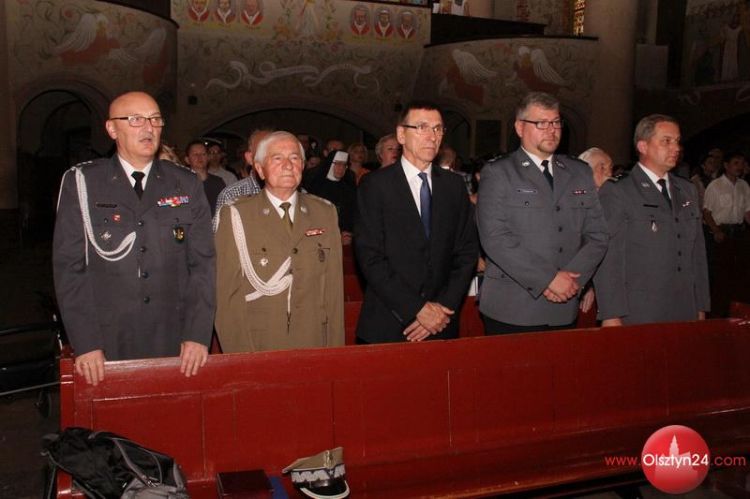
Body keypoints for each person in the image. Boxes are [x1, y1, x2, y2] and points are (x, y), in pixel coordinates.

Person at [53, 91, 215, 385]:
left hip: (174, 337)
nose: (148, 128)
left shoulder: (185, 182)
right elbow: (70, 269)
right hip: (108, 339)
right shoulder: (83, 182)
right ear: (112, 129)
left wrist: (197, 333)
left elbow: (202, 265)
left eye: (155, 119)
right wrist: (86, 342)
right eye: (136, 119)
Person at [476, 92, 608, 334]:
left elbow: (597, 235)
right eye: (541, 123)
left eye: (556, 122)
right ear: (520, 127)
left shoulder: (579, 172)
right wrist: (548, 279)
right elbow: (495, 238)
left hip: (564, 304)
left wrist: (573, 281)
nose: (551, 130)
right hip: (513, 308)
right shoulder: (500, 172)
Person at [355, 101, 478, 343]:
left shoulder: (453, 185)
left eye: (438, 129)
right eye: (422, 127)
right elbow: (370, 257)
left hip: (443, 322)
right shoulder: (375, 185)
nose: (432, 136)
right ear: (401, 134)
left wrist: (443, 307)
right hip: (390, 320)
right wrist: (417, 309)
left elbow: (466, 252)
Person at [214, 131, 344, 352]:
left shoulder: (324, 212)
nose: (288, 165)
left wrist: (335, 353)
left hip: (313, 340)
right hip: (260, 344)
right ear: (260, 169)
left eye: (294, 158)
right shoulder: (237, 215)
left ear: (302, 165)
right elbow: (227, 297)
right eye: (277, 158)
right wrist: (240, 358)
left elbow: (333, 291)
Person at [594, 114, 710, 325]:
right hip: (640, 309)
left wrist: (701, 305)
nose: (675, 148)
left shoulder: (687, 190)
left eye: (677, 141)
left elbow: (697, 254)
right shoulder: (619, 191)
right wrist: (611, 314)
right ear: (643, 146)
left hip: (685, 307)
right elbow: (609, 258)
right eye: (666, 141)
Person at [213, 128, 269, 231]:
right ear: (250, 158)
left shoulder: (295, 194)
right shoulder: (232, 195)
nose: (269, 158)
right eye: (263, 151)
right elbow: (220, 236)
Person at [303, 150, 357, 245]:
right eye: (338, 164)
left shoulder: (349, 190)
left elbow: (352, 217)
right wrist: (335, 236)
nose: (341, 168)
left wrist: (348, 233)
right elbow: (307, 226)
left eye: (344, 165)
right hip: (317, 241)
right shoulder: (315, 188)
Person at [703, 151, 750, 243]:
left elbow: (747, 212)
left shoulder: (744, 185)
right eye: (736, 163)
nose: (740, 167)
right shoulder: (715, 185)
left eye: (742, 163)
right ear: (726, 165)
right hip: (721, 231)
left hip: (739, 232)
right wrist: (716, 231)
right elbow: (706, 212)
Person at [184, 139, 225, 217]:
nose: (200, 157)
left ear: (208, 157)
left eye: (203, 154)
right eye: (195, 154)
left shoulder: (218, 183)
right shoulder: (182, 184)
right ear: (187, 160)